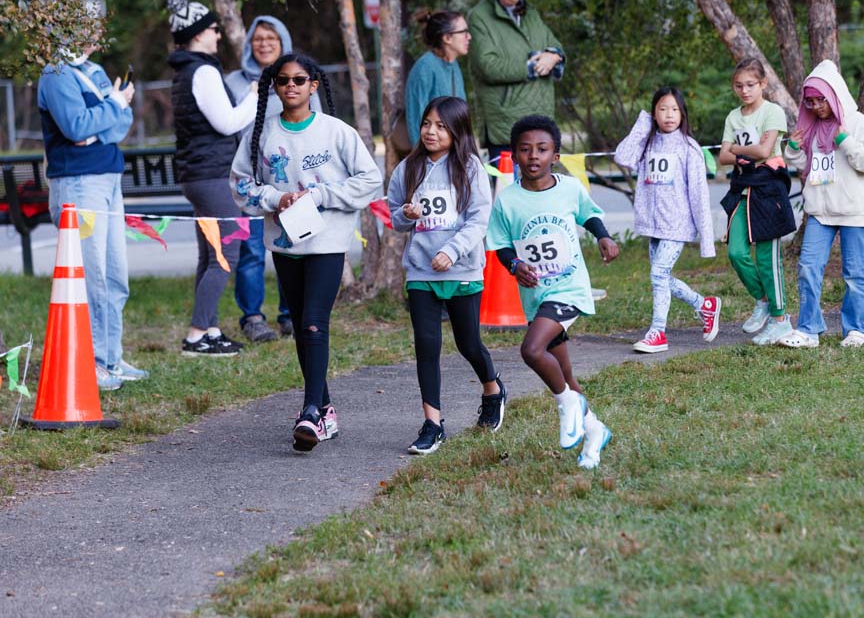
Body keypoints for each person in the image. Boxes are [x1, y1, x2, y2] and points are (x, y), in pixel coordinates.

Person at [231, 54, 382, 451]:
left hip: (327, 241)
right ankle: (325, 409)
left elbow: (370, 179)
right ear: (274, 86)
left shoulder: (336, 132)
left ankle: (311, 411)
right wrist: (277, 197)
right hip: (285, 243)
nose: (291, 86)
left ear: (314, 84)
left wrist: (321, 196)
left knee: (315, 321)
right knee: (301, 325)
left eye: (300, 79)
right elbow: (241, 184)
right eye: (282, 80)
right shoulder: (261, 134)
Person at [486, 115, 619, 470]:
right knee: (564, 373)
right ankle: (594, 432)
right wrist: (515, 266)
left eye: (542, 150)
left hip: (569, 289)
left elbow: (589, 215)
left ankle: (566, 406)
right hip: (536, 295)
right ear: (513, 156)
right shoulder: (508, 201)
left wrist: (603, 236)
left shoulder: (569, 188)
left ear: (555, 155)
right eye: (525, 150)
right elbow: (500, 246)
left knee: (531, 349)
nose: (534, 156)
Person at [37, 0, 147, 391]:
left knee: (116, 275)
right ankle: (94, 361)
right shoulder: (56, 73)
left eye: (94, 25)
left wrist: (102, 121)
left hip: (108, 177)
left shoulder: (94, 69)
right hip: (79, 184)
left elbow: (119, 127)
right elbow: (75, 127)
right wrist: (114, 104)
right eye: (83, 24)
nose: (90, 33)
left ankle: (111, 357)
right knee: (93, 276)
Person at [388, 97, 506, 454]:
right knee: (427, 346)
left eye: (440, 126)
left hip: (462, 269)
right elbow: (394, 217)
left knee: (468, 343)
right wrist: (407, 214)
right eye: (426, 124)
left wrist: (451, 251)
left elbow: (478, 220)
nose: (431, 132)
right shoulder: (407, 168)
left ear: (457, 131)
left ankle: (493, 389)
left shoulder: (470, 167)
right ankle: (432, 424)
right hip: (421, 271)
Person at [167, 0, 257, 357]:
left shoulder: (186, 70)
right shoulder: (203, 71)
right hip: (213, 176)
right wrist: (253, 97)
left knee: (210, 255)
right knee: (226, 256)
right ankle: (195, 335)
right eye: (214, 29)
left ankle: (211, 329)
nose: (219, 35)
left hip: (200, 175)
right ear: (199, 32)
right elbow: (227, 122)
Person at [225, 15, 322, 342]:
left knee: (291, 248)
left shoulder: (298, 77)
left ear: (283, 42)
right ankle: (252, 318)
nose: (264, 43)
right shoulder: (235, 82)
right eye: (258, 38)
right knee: (251, 251)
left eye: (271, 38)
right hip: (252, 181)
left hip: (292, 183)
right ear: (249, 44)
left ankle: (289, 314)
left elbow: (317, 126)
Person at [778, 60, 864, 349]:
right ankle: (808, 329)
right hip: (820, 211)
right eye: (810, 101)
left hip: (854, 212)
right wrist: (793, 150)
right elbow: (808, 168)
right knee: (807, 268)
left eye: (821, 100)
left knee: (854, 272)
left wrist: (846, 141)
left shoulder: (859, 124)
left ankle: (856, 330)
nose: (816, 107)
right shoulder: (812, 126)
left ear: (835, 95)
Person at [614, 87, 721, 353]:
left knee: (659, 274)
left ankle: (657, 333)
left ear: (683, 114)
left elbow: (698, 195)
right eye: (662, 109)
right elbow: (622, 156)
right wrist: (642, 124)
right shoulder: (648, 143)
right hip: (654, 225)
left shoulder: (689, 148)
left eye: (674, 109)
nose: (669, 115)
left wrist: (707, 241)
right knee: (661, 276)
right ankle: (704, 305)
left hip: (677, 224)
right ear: (654, 114)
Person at [719, 58, 796, 346]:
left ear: (763, 84)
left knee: (767, 258)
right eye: (739, 85)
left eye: (750, 85)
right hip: (741, 189)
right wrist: (743, 152)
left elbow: (765, 150)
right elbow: (722, 157)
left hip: (767, 190)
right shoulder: (733, 117)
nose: (745, 90)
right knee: (736, 253)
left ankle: (780, 320)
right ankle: (762, 300)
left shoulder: (772, 112)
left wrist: (736, 150)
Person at [467, 0, 565, 162]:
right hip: (506, 125)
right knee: (508, 187)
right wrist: (535, 67)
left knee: (543, 187)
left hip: (542, 120)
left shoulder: (530, 11)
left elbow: (555, 46)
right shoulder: (479, 16)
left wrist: (554, 56)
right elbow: (487, 67)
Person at [405, 10, 471, 150]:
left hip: (454, 155)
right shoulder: (425, 67)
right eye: (464, 32)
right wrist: (424, 161)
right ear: (447, 38)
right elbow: (416, 118)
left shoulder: (453, 65)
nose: (469, 37)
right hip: (431, 159)